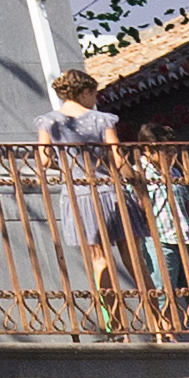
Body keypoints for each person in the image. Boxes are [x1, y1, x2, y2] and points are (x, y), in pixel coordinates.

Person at [38, 67, 134, 335]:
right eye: (94, 94)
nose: (96, 100)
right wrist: (135, 180)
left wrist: (64, 165)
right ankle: (162, 324)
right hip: (110, 191)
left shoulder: (49, 122)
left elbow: (44, 160)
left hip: (78, 194)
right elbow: (118, 158)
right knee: (133, 258)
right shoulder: (102, 120)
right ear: (85, 92)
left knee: (99, 260)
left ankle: (116, 325)